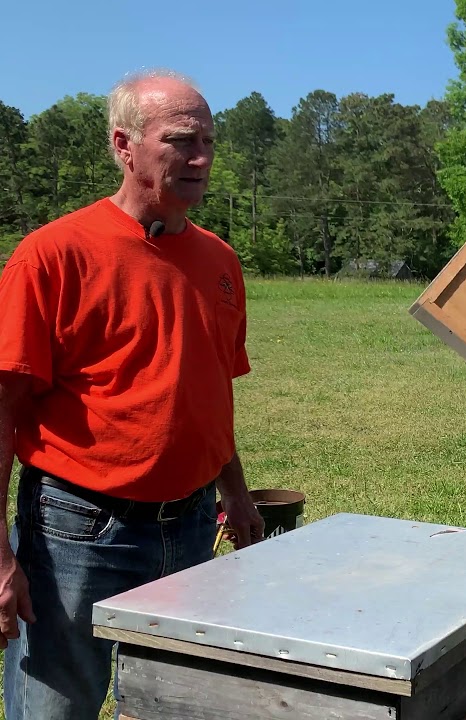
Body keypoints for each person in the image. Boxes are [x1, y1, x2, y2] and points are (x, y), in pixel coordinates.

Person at [0, 69, 265, 720]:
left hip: (195, 524)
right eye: (181, 141)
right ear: (124, 144)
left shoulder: (220, 262)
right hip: (80, 533)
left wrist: (234, 491)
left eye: (208, 140)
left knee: (178, 706)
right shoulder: (53, 256)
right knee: (58, 709)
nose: (201, 158)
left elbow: (205, 394)